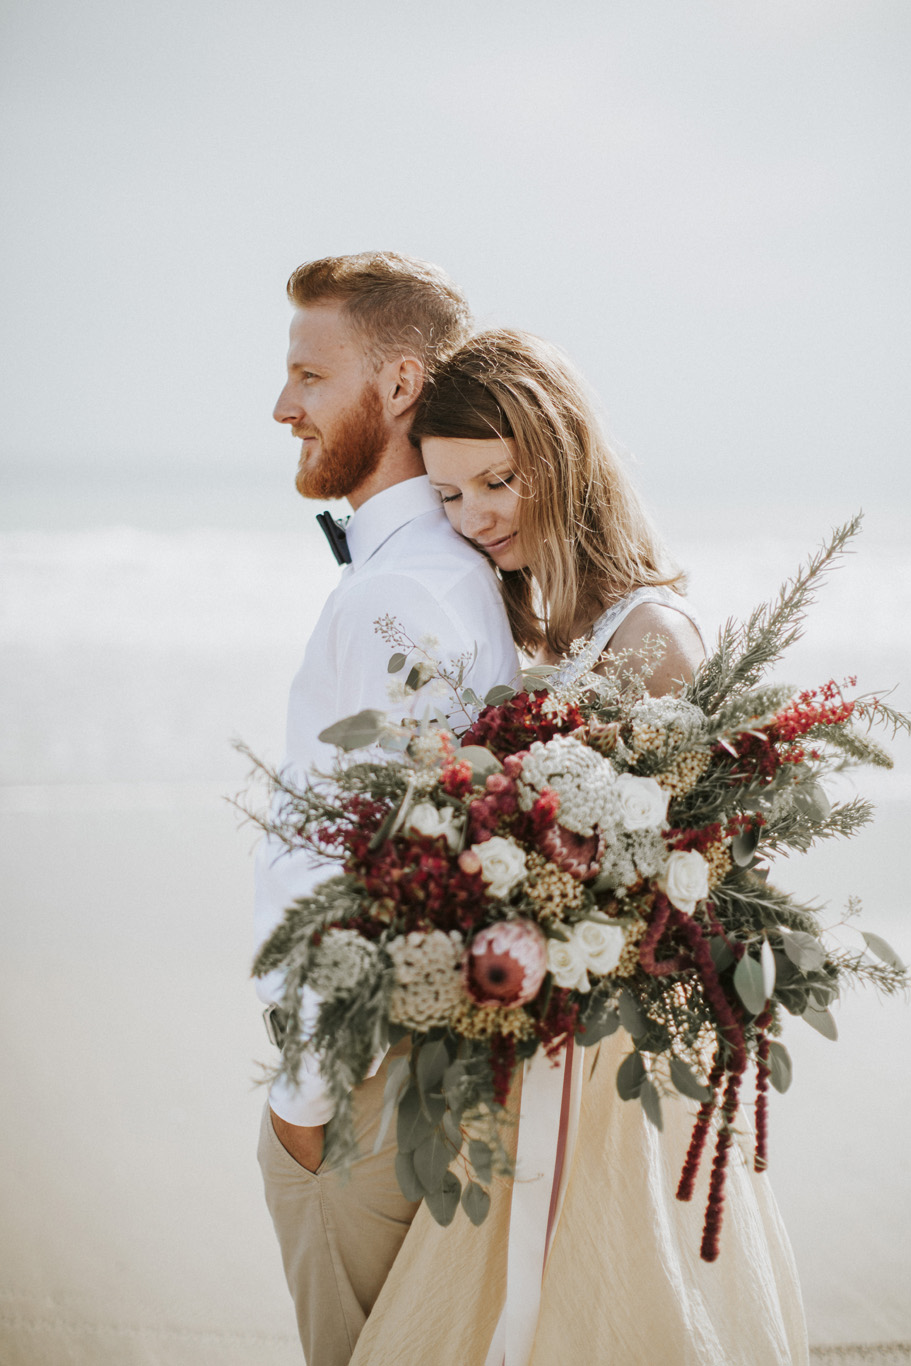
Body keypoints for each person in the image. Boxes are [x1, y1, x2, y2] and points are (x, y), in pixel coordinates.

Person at [342, 330, 809, 1365]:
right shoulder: (551, 627)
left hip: (605, 1057)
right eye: (449, 495)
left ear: (559, 456)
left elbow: (679, 872)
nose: (475, 517)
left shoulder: (650, 637)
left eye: (496, 480)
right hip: (540, 1028)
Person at [254, 257, 519, 1366]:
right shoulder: (452, 572)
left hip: (360, 1098)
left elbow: (364, 865)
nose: (283, 407)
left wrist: (304, 1103)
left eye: (309, 375)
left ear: (401, 383)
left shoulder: (400, 592)